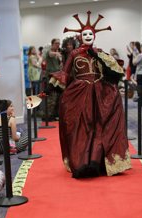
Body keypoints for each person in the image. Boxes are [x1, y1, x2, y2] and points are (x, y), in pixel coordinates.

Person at [50, 11, 131, 178]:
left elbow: (115, 71)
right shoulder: (74, 54)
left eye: (90, 34)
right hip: (79, 95)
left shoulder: (100, 52)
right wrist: (49, 89)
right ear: (81, 37)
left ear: (94, 36)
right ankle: (83, 162)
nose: (87, 36)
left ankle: (99, 162)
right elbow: (65, 73)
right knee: (81, 128)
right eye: (84, 34)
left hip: (101, 95)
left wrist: (97, 56)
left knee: (101, 127)